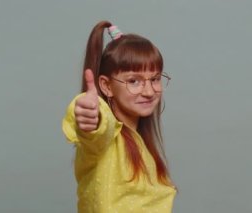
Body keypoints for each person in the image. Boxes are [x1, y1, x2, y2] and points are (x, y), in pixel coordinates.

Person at [62, 20, 177, 213]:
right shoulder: (105, 141)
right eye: (134, 81)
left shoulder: (140, 142)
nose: (149, 91)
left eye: (155, 79)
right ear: (106, 86)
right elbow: (96, 130)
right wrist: (90, 114)